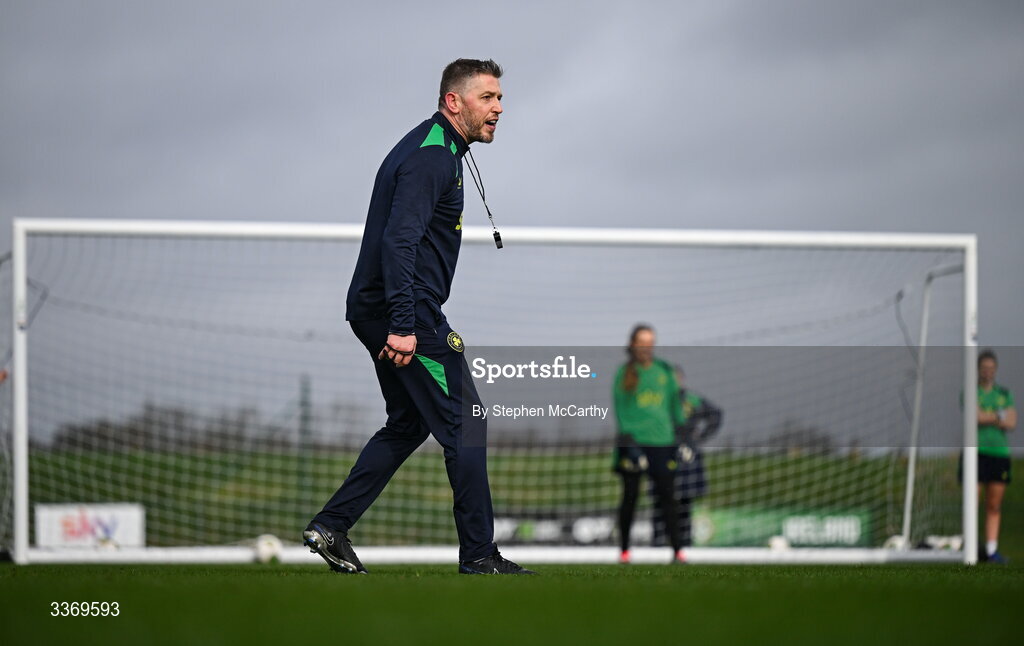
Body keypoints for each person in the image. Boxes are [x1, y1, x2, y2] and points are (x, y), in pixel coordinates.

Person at [303, 59, 533, 575]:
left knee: (408, 424)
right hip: (403, 312)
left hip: (381, 308)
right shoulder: (432, 156)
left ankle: (331, 525)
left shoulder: (441, 148)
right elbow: (399, 240)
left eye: (500, 97)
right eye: (488, 97)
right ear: (455, 101)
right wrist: (404, 325)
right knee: (467, 423)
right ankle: (479, 556)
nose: (499, 107)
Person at [612, 324, 685, 564]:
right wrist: (629, 443)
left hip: (662, 443)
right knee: (630, 498)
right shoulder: (624, 373)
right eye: (642, 342)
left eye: (650, 342)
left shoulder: (665, 371)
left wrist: (683, 435)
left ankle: (677, 551)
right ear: (633, 344)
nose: (646, 347)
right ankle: (624, 551)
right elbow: (620, 410)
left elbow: (676, 406)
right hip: (633, 444)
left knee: (668, 499)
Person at [651, 367, 723, 548]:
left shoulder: (692, 399)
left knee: (684, 501)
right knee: (661, 499)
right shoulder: (657, 400)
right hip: (663, 452)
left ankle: (684, 543)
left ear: (682, 379)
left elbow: (716, 414)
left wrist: (700, 437)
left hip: (687, 457)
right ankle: (658, 542)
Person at [973, 349, 1016, 563]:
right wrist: (999, 415)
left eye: (991, 368)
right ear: (979, 370)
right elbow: (976, 417)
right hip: (976, 452)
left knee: (994, 504)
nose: (988, 372)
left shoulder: (1004, 393)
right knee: (972, 501)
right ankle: (970, 547)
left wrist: (989, 416)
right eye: (984, 368)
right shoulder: (971, 392)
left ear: (995, 369)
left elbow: (1012, 422)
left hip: (999, 453)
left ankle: (991, 550)